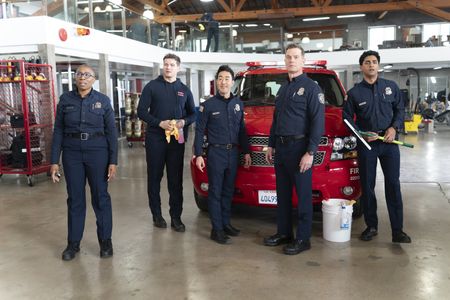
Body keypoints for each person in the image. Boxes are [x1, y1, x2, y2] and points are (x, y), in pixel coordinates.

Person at [50, 64, 118, 261]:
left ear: (94, 79)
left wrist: (113, 161)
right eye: (79, 74)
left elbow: (112, 133)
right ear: (75, 78)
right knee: (75, 199)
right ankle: (73, 243)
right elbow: (58, 131)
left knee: (100, 197)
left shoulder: (103, 101)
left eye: (87, 75)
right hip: (72, 154)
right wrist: (55, 160)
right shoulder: (65, 100)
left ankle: (105, 241)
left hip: (98, 153)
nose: (83, 78)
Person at [343, 50, 411, 244]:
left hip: (389, 144)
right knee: (368, 186)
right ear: (361, 67)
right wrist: (362, 134)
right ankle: (371, 226)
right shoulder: (354, 93)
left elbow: (400, 109)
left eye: (374, 62)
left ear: (378, 66)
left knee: (393, 185)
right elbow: (346, 119)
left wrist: (394, 128)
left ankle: (397, 230)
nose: (371, 65)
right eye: (367, 62)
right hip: (368, 145)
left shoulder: (391, 87)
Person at [263, 44, 325, 255]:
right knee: (283, 194)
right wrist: (271, 144)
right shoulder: (283, 89)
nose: (291, 60)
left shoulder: (311, 88)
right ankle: (284, 233)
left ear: (303, 61)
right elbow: (276, 120)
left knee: (303, 196)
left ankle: (303, 238)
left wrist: (310, 152)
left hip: (300, 149)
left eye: (295, 57)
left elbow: (318, 122)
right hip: (281, 148)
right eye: (288, 57)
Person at [137, 53, 196, 232]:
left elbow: (193, 113)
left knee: (175, 179)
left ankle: (176, 217)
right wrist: (158, 123)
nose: (168, 67)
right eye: (166, 64)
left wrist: (183, 122)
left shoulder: (184, 89)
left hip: (176, 141)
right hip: (155, 139)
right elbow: (141, 111)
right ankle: (156, 215)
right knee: (154, 178)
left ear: (178, 67)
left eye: (171, 64)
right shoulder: (152, 87)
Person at [194, 65, 251, 245]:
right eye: (220, 78)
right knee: (215, 192)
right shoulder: (208, 105)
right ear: (216, 82)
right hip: (215, 153)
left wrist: (247, 151)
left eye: (227, 78)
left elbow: (241, 130)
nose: (223, 82)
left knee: (228, 191)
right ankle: (216, 229)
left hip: (233, 153)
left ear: (232, 82)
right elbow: (199, 131)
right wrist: (199, 154)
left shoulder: (238, 104)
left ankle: (226, 224)